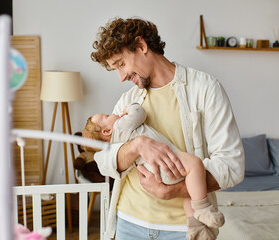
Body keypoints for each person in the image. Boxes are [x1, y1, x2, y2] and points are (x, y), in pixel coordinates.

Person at [90, 17, 245, 240]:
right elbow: (104, 162)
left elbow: (232, 165)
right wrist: (137, 146)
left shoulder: (204, 88)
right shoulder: (129, 100)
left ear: (141, 46)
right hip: (129, 222)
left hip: (183, 228)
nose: (121, 76)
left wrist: (172, 190)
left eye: (121, 64)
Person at [82, 102, 225, 239]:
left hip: (155, 173)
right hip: (166, 164)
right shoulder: (120, 125)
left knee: (189, 192)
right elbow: (139, 113)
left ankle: (195, 226)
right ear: (107, 131)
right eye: (107, 116)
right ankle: (202, 207)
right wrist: (130, 108)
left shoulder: (116, 143)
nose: (112, 114)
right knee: (195, 164)